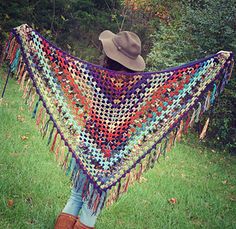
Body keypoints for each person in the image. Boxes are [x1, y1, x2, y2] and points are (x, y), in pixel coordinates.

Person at [54, 29, 146, 229]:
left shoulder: (94, 75)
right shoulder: (141, 88)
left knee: (77, 194)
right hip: (114, 154)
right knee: (93, 205)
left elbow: (59, 61)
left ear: (110, 55)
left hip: (87, 144)